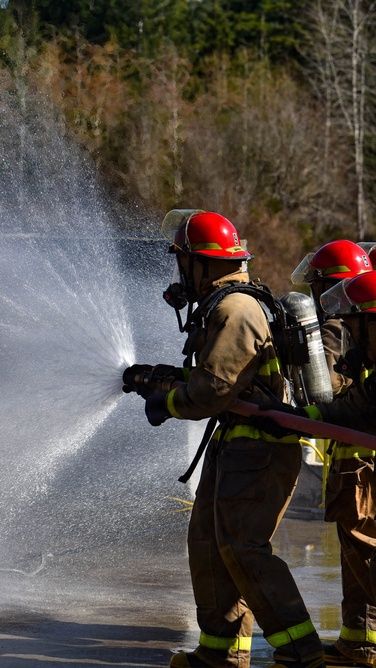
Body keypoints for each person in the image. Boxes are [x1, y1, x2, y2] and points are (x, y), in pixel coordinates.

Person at [124, 209, 324, 668]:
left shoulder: (237, 310)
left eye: (183, 261)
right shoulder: (227, 303)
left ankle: (301, 651)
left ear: (203, 262)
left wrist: (167, 403)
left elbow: (213, 390)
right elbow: (219, 380)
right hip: (237, 445)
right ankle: (220, 653)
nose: (180, 274)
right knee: (210, 546)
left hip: (258, 450)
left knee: (243, 549)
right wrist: (160, 379)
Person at [308, 268, 376, 667]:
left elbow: (354, 408)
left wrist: (297, 414)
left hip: (362, 468)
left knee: (366, 556)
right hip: (355, 464)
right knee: (358, 560)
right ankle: (359, 642)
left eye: (357, 326)